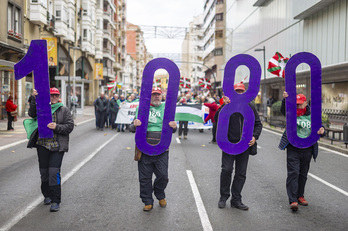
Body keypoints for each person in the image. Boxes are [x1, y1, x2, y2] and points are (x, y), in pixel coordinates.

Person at [26, 88, 74, 212]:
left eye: (55, 95)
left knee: (53, 173)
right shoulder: (42, 107)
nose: (53, 97)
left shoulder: (64, 110)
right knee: (44, 173)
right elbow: (32, 113)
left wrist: (56, 126)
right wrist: (34, 98)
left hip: (57, 147)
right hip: (42, 145)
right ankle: (46, 195)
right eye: (51, 95)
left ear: (59, 96)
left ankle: (55, 200)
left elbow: (70, 126)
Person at [129, 87, 177, 211]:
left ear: (162, 96)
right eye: (154, 94)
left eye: (158, 94)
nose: (156, 96)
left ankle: (159, 193)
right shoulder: (142, 108)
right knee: (144, 178)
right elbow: (131, 127)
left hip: (162, 148)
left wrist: (174, 126)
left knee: (163, 176)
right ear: (150, 96)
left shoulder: (167, 108)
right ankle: (147, 201)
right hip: (144, 148)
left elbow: (173, 128)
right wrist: (134, 125)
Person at [216, 83, 263, 210]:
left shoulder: (250, 106)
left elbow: (258, 124)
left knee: (241, 173)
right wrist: (223, 106)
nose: (239, 93)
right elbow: (216, 120)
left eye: (241, 91)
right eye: (237, 91)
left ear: (245, 93)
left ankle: (236, 200)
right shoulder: (227, 105)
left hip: (244, 145)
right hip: (228, 145)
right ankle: (223, 197)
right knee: (226, 170)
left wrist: (254, 136)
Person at [278, 91, 325, 212]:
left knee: (303, 174)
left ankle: (300, 196)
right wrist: (284, 100)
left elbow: (321, 127)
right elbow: (283, 111)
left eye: (300, 104)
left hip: (307, 148)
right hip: (293, 147)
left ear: (305, 103)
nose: (298, 106)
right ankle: (293, 200)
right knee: (293, 173)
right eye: (296, 104)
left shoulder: (313, 115)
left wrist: (322, 131)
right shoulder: (291, 113)